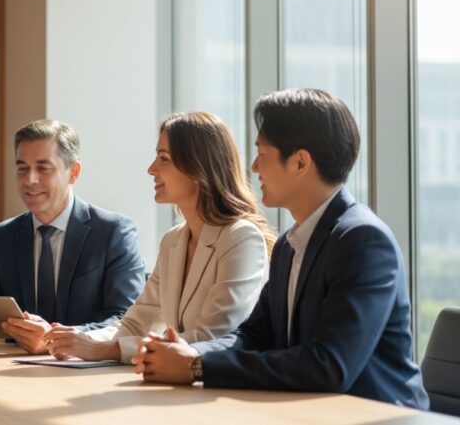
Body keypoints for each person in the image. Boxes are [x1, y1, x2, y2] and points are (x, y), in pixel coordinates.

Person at [133, 89, 429, 409]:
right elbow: (253, 336)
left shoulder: (363, 241)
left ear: (300, 162)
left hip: (376, 415)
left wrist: (197, 367)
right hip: (310, 411)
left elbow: (329, 365)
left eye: (263, 153)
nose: (255, 166)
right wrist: (192, 353)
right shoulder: (289, 245)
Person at [44, 112, 275, 362]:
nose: (151, 169)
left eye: (163, 158)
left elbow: (215, 336)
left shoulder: (241, 238)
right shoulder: (173, 241)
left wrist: (107, 350)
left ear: (197, 168)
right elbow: (134, 325)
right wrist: (74, 339)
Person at [0, 119, 146, 354]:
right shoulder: (3, 236)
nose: (30, 180)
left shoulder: (114, 232)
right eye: (22, 168)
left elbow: (125, 321)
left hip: (87, 374)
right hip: (17, 375)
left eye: (43, 168)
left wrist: (52, 340)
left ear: (73, 172)